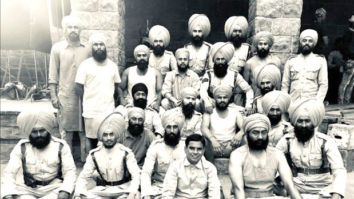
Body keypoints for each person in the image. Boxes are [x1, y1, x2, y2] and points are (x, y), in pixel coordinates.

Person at [276, 99, 347, 198]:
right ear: (295, 122)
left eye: (307, 121)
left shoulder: (326, 142)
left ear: (314, 122)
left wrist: (337, 193)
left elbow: (339, 170)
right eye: (300, 121)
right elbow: (273, 161)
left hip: (322, 190)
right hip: (295, 189)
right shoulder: (287, 140)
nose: (303, 125)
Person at [1, 111, 76, 199]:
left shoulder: (61, 146)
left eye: (42, 130)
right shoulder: (22, 146)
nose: (39, 135)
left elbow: (70, 172)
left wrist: (65, 190)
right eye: (34, 132)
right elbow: (9, 173)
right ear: (29, 132)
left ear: (48, 130)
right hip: (28, 190)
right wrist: (8, 193)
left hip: (54, 188)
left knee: (70, 192)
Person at [229, 114, 302, 199]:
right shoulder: (237, 155)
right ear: (247, 134)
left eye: (263, 132)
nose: (260, 137)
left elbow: (290, 185)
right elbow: (238, 189)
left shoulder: (277, 154)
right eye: (255, 133)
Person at [48, 15, 90, 163]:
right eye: (70, 27)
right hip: (66, 96)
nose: (73, 30)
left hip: (85, 96)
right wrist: (53, 96)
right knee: (66, 131)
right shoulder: (57, 48)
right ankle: (67, 163)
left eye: (76, 27)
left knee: (84, 131)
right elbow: (53, 75)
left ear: (80, 30)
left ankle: (86, 162)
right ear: (65, 30)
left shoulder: (88, 49)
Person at [74, 113, 141, 199]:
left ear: (115, 136)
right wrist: (78, 194)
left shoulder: (126, 153)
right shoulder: (94, 154)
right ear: (101, 138)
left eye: (111, 134)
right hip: (104, 191)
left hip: (123, 190)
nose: (109, 138)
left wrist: (132, 192)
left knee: (136, 196)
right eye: (105, 135)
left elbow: (136, 174)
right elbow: (83, 177)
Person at [75, 33, 121, 153]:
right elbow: (78, 87)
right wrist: (89, 100)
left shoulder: (112, 66)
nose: (99, 47)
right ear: (92, 47)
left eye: (101, 44)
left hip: (108, 110)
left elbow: (116, 87)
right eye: (96, 45)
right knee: (92, 139)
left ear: (105, 47)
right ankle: (93, 163)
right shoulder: (85, 65)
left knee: (108, 137)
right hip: (91, 111)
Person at [141, 109, 186, 199]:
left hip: (181, 190)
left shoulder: (186, 146)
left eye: (175, 127)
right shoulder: (156, 146)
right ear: (164, 128)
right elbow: (146, 172)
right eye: (169, 127)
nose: (172, 130)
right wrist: (146, 193)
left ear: (179, 129)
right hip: (160, 188)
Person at [162, 134, 221, 199]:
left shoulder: (210, 168)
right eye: (192, 148)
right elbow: (168, 193)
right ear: (185, 149)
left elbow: (214, 193)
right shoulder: (175, 166)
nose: (195, 152)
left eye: (199, 149)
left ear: (204, 150)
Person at [200, 42, 253, 113]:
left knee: (243, 113)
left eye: (222, 59)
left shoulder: (234, 74)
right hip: (212, 106)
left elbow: (248, 90)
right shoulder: (209, 74)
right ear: (214, 61)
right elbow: (203, 90)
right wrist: (207, 102)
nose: (220, 62)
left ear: (227, 61)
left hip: (229, 106)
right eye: (218, 59)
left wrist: (248, 106)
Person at [282, 29, 328, 102]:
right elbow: (285, 85)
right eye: (304, 40)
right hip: (293, 102)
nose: (307, 43)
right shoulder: (291, 60)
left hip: (311, 103)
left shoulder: (320, 60)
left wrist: (317, 102)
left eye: (310, 41)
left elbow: (323, 84)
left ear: (314, 44)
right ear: (300, 43)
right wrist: (286, 102)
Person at [201, 85, 244, 158]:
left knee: (245, 138)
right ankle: (210, 167)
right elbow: (204, 128)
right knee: (204, 140)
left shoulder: (235, 112)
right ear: (215, 99)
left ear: (229, 99)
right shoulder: (209, 113)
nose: (222, 100)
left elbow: (245, 127)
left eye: (225, 97)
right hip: (213, 146)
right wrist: (213, 141)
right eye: (219, 97)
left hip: (231, 146)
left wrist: (240, 134)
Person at [120, 44, 163, 111]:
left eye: (144, 55)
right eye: (139, 56)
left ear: (148, 57)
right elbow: (120, 87)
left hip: (151, 107)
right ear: (135, 58)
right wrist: (122, 100)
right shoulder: (128, 71)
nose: (142, 58)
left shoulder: (156, 73)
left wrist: (157, 103)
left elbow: (159, 91)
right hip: (131, 106)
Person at [224, 16, 252, 106]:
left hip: (240, 88)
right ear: (230, 32)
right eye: (235, 31)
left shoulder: (247, 49)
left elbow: (249, 70)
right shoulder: (223, 47)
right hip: (225, 85)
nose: (237, 34)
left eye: (239, 31)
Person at [243, 31, 282, 96]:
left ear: (269, 46)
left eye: (265, 44)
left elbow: (279, 83)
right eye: (260, 44)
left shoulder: (276, 61)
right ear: (257, 46)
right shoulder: (249, 63)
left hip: (273, 98)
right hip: (256, 98)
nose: (263, 46)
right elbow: (245, 86)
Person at [338, 15, 354, 104]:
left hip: (352, 60)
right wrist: (347, 57)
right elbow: (343, 47)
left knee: (351, 84)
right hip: (350, 60)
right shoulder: (348, 33)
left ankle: (346, 101)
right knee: (345, 83)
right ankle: (341, 102)